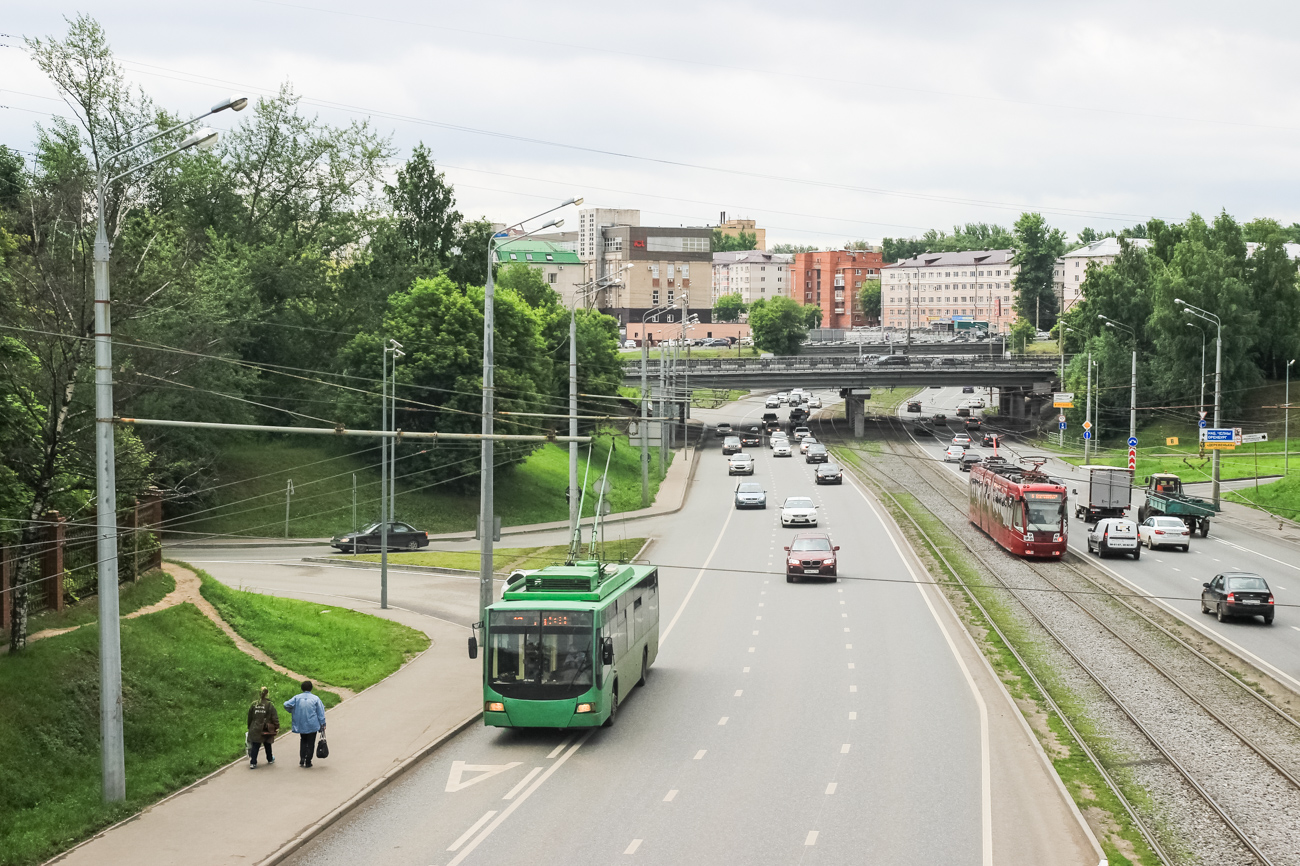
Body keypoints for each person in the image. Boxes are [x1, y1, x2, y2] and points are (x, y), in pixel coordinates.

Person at [284, 680, 327, 768]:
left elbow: (286, 704)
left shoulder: (297, 698)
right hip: (313, 724)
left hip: (301, 724)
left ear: (302, 688)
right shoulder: (315, 699)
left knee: (303, 740)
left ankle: (302, 758)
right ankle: (308, 761)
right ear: (311, 688)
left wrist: (293, 711)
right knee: (311, 743)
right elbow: (320, 713)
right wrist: (323, 723)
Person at [247, 686, 280, 768]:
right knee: (267, 744)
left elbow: (250, 717)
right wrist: (277, 726)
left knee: (255, 745)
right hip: (265, 728)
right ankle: (270, 759)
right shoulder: (269, 704)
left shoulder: (254, 704)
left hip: (255, 727)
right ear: (267, 694)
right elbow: (274, 717)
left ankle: (253, 762)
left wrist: (249, 726)